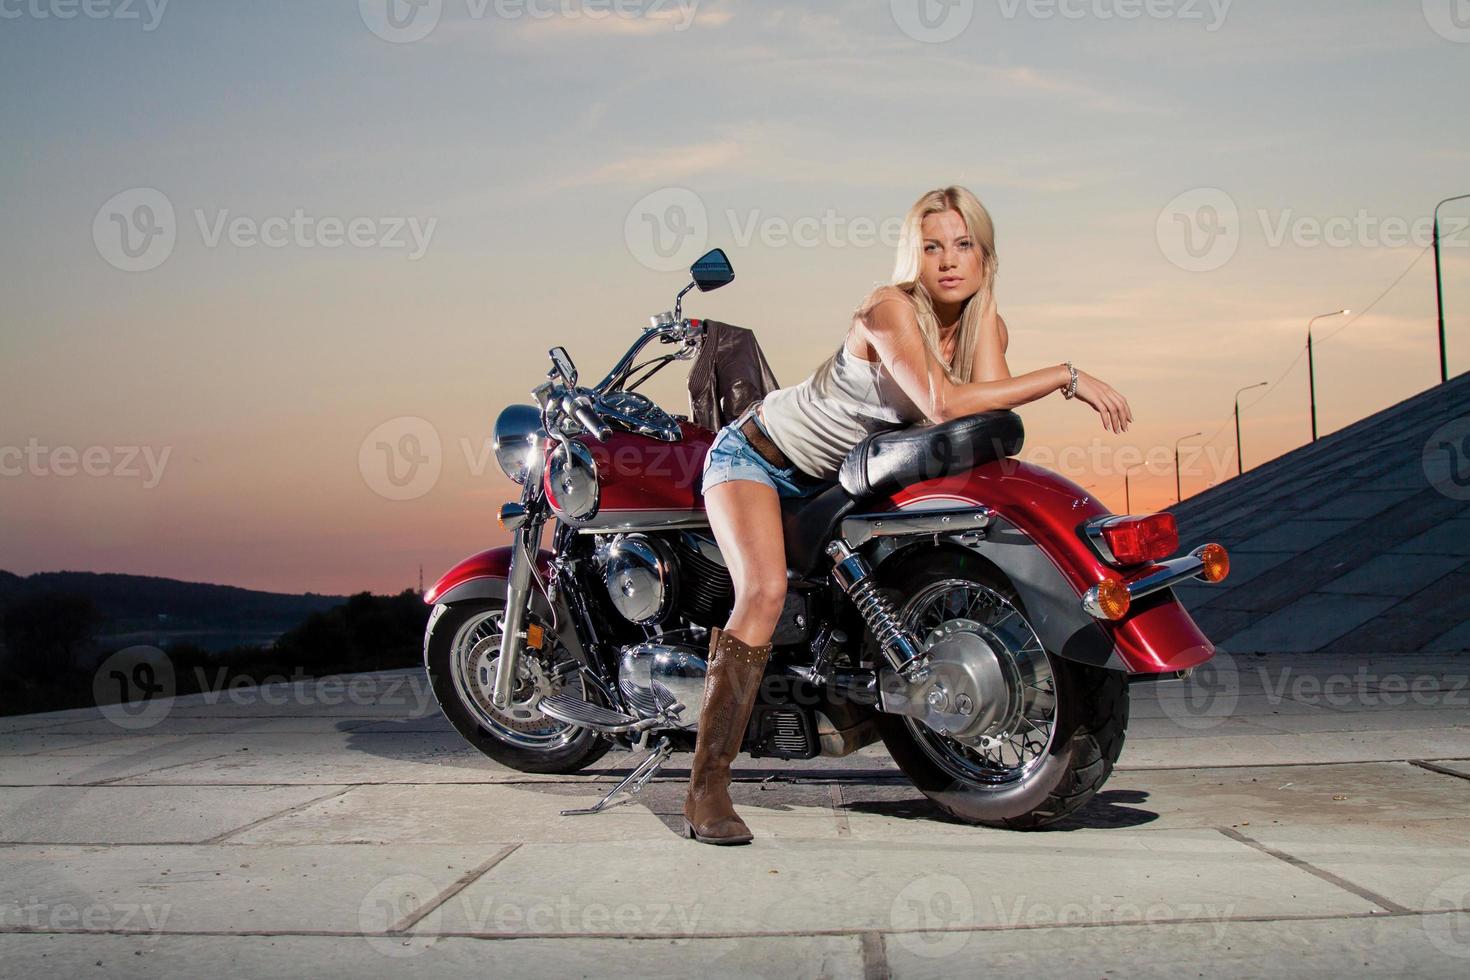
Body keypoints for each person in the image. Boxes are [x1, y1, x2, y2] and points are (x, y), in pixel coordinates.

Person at [682, 185, 1133, 845]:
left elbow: (983, 418)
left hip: (839, 480)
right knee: (765, 592)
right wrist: (1065, 376)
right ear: (912, 256)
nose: (948, 260)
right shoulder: (887, 309)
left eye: (963, 245)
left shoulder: (984, 328)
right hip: (760, 459)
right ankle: (706, 788)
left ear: (985, 256)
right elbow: (946, 404)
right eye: (931, 246)